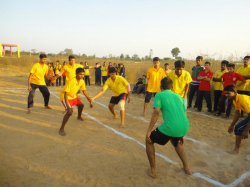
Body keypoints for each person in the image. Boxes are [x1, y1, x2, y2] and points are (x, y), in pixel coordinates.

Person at [146, 77, 191, 179]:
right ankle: (187, 168)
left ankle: (153, 171)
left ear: (160, 87)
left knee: (148, 140)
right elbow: (184, 113)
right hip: (184, 126)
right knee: (175, 141)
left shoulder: (159, 95)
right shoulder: (180, 97)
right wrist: (181, 134)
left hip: (172, 127)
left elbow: (156, 111)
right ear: (172, 87)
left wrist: (149, 131)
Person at [59, 68, 93, 136]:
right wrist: (68, 107)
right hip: (65, 96)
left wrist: (89, 99)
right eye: (80, 74)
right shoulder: (71, 80)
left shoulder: (82, 81)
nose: (82, 76)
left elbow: (84, 91)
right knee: (69, 111)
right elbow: (66, 93)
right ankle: (61, 129)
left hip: (72, 96)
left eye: (83, 74)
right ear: (76, 74)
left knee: (81, 105)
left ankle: (79, 117)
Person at [225, 84, 250, 154]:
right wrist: (232, 125)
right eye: (225, 93)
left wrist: (246, 130)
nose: (226, 95)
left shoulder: (242, 99)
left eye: (228, 93)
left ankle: (236, 151)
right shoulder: (235, 100)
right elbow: (237, 113)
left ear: (235, 93)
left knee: (239, 128)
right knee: (239, 127)